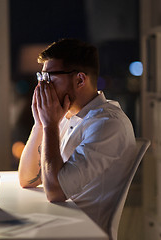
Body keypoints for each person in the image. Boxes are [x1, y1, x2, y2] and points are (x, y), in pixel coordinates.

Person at [18, 38, 136, 238]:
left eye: (48, 77)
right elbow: (27, 179)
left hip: (82, 232)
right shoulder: (67, 115)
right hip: (61, 221)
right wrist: (40, 124)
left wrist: (49, 126)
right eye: (41, 77)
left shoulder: (107, 124)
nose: (42, 85)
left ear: (80, 80)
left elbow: (55, 192)